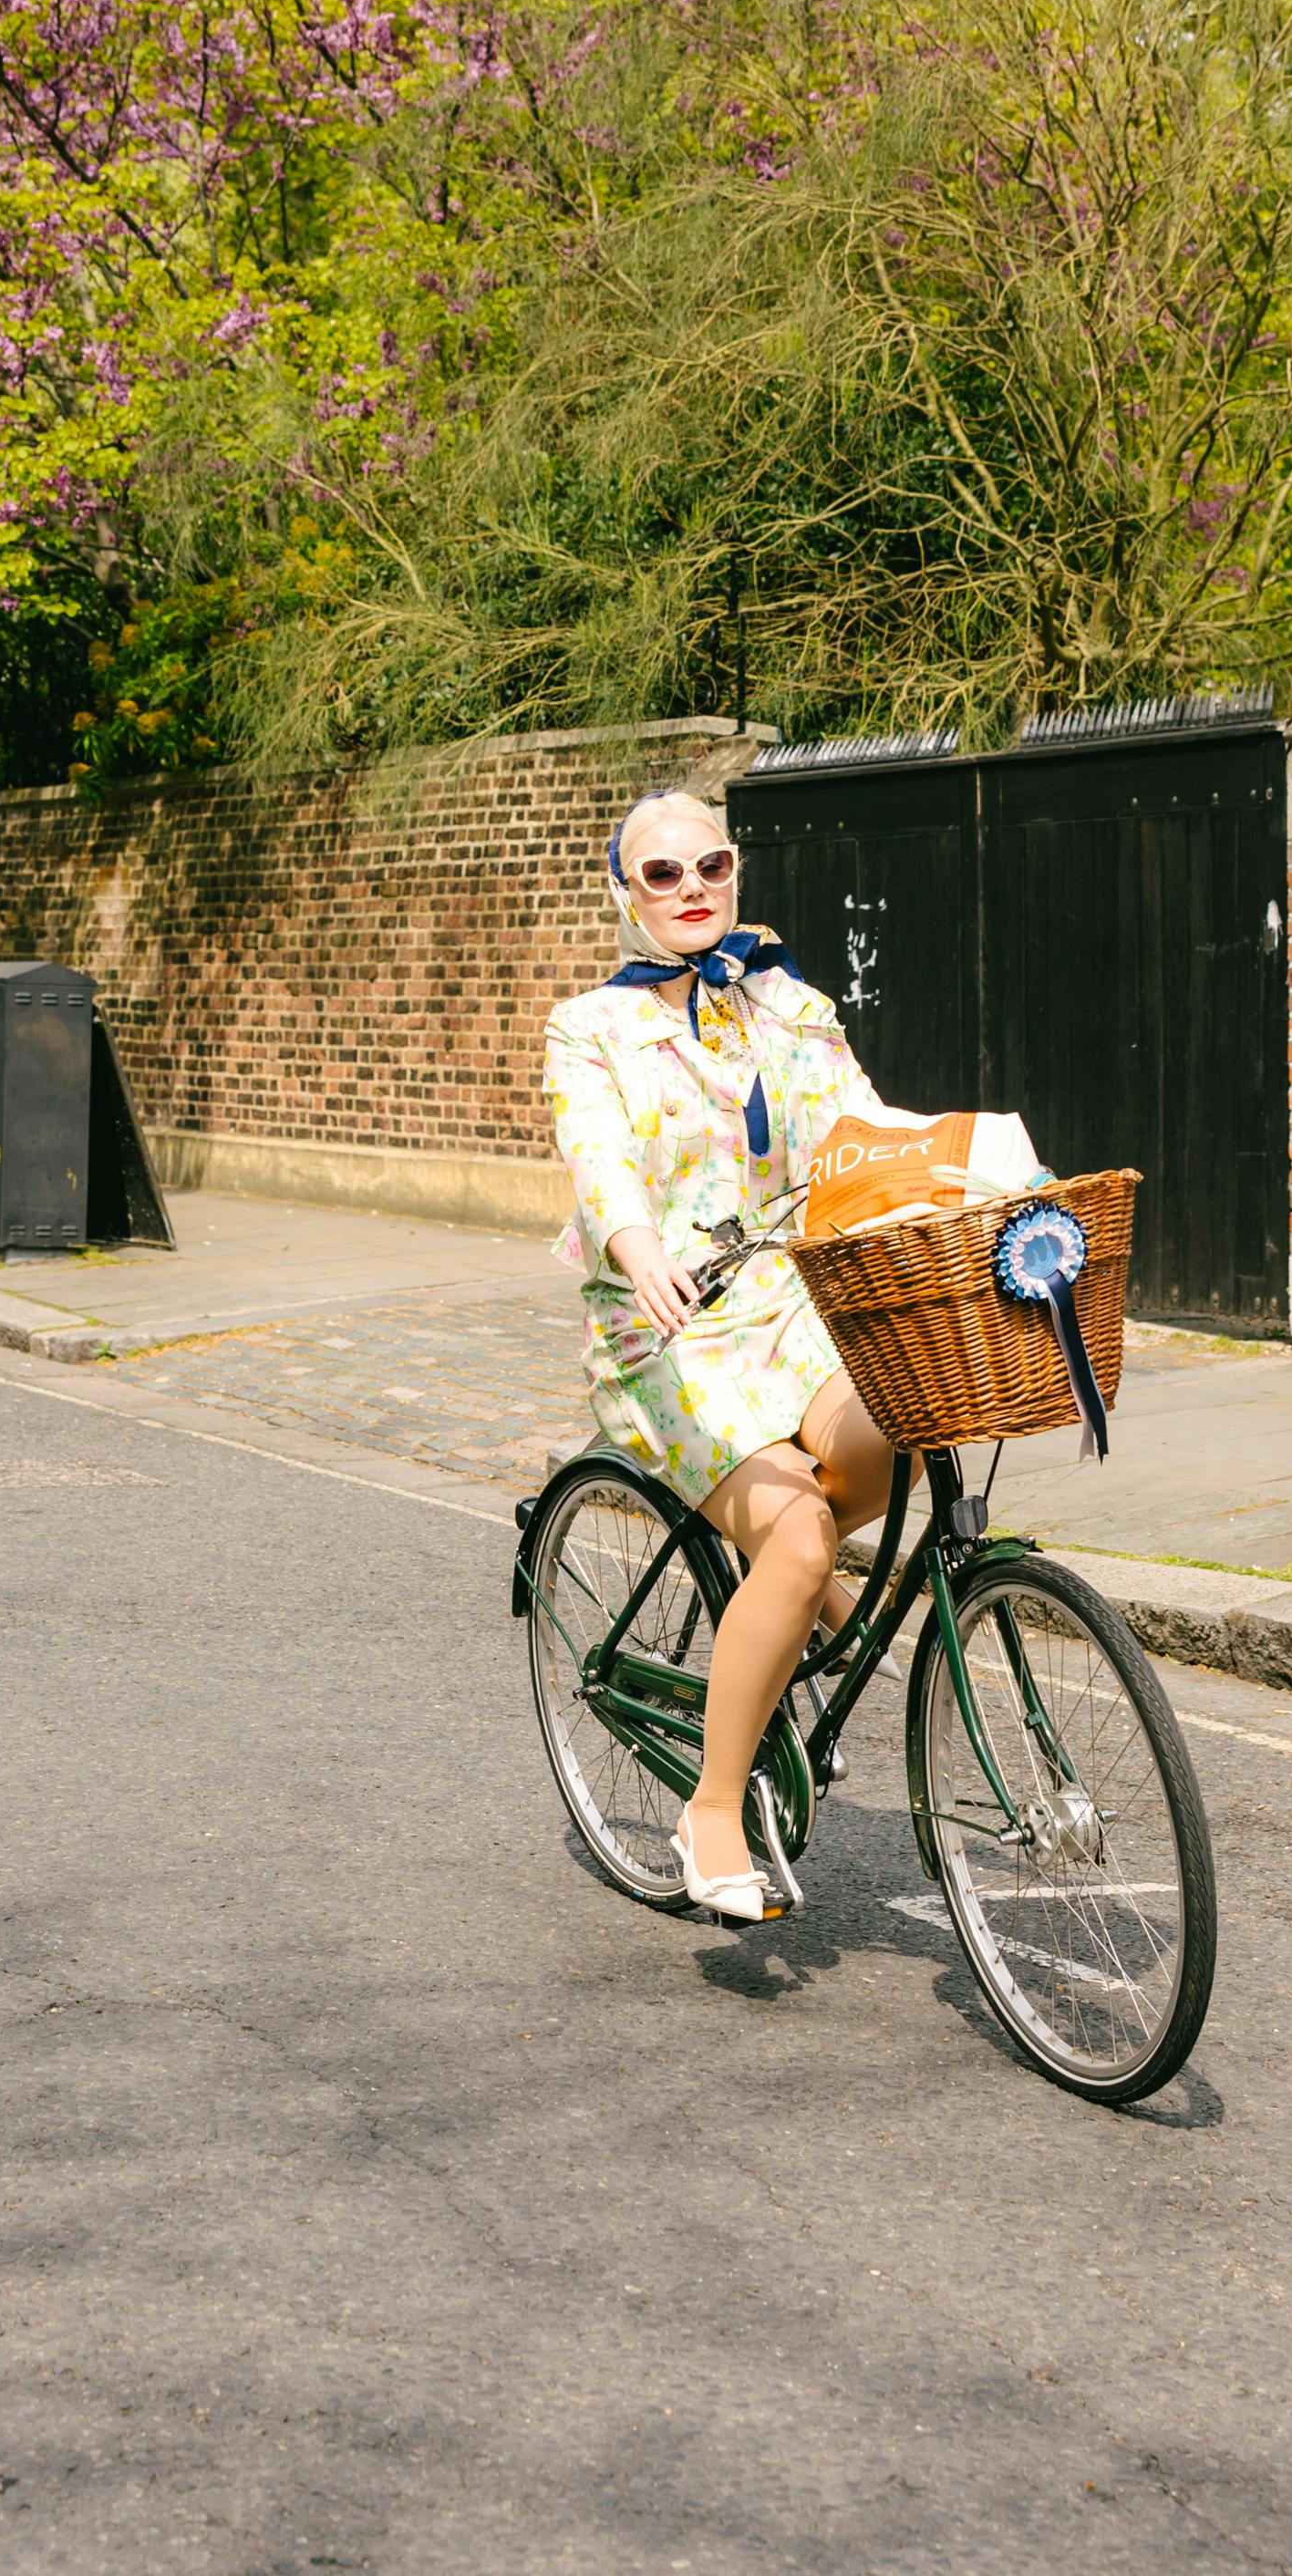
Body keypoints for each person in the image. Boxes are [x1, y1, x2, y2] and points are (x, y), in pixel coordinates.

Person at [543, 788, 901, 1922]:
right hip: (667, 1326)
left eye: (710, 863)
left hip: (791, 1303)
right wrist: (635, 1245)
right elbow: (596, 1155)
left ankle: (793, 1590)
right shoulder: (588, 1028)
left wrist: (964, 1185)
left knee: (896, 1423)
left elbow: (866, 1132)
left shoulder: (791, 1006)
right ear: (625, 893)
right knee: (795, 1534)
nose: (691, 886)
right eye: (662, 873)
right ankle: (713, 1806)